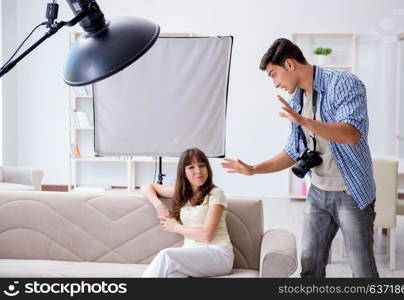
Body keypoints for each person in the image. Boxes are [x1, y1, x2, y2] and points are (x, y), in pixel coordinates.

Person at [221, 38, 379, 278]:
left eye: (274, 74)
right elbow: (293, 151)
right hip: (317, 192)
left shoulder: (344, 84)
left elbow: (351, 135)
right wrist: (253, 169)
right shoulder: (297, 98)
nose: (275, 84)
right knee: (310, 268)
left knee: (362, 271)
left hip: (351, 193)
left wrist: (305, 121)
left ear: (290, 65)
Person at [141, 148, 234, 278]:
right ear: (183, 172)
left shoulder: (216, 194)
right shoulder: (182, 194)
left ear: (208, 168)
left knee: (166, 255)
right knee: (171, 276)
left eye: (202, 165)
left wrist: (176, 227)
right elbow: (146, 187)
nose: (198, 171)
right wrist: (159, 205)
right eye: (191, 167)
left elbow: (206, 236)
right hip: (191, 254)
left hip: (218, 255)